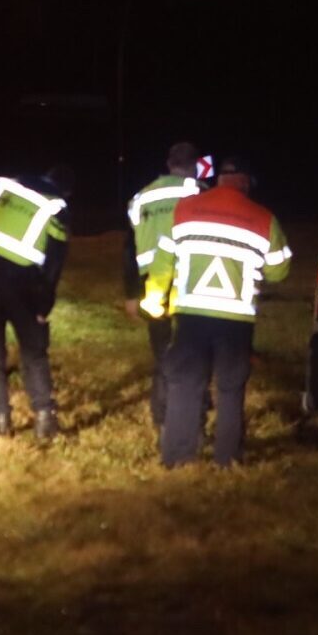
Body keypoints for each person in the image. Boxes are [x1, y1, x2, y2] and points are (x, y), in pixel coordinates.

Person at [142, 157, 291, 467]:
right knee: (230, 387)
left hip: (190, 315)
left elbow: (163, 260)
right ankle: (228, 459)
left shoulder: (184, 209)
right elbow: (279, 270)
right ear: (247, 182)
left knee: (184, 384)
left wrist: (155, 298)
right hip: (236, 320)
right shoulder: (264, 218)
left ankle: (177, 457)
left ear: (219, 178)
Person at [0, 165, 73, 441]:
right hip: (21, 284)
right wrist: (43, 306)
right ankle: (43, 419)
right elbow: (54, 264)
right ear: (66, 191)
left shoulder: (6, 185)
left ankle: (1, 422)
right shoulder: (57, 206)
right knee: (33, 353)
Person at [124, 142, 204, 429]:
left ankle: (161, 415)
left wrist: (131, 293)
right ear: (194, 165)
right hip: (189, 280)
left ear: (169, 163)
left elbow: (129, 248)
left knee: (162, 351)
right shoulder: (199, 192)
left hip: (150, 285)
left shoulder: (141, 197)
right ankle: (191, 410)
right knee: (191, 351)